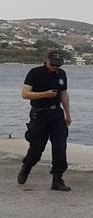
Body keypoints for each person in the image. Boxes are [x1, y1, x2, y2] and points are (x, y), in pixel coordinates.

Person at [18, 49, 73, 191]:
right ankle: (26, 167)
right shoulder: (34, 73)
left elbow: (64, 95)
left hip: (57, 115)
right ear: (46, 60)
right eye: (53, 64)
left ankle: (57, 180)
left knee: (60, 147)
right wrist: (44, 95)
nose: (55, 67)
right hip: (40, 114)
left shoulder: (62, 74)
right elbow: (25, 94)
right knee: (37, 148)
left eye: (58, 65)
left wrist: (68, 114)